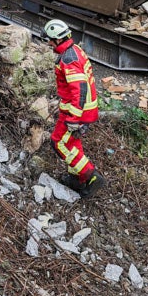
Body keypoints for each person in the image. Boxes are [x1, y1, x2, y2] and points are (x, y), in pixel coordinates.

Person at [44, 18, 105, 194]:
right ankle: (77, 179)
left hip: (77, 111)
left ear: (57, 39)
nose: (48, 42)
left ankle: (90, 176)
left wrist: (73, 119)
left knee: (58, 143)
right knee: (72, 142)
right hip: (83, 109)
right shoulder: (75, 50)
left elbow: (79, 90)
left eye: (50, 39)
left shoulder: (68, 60)